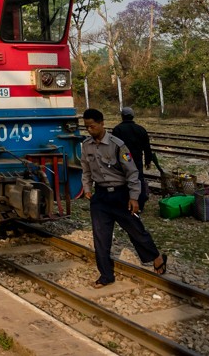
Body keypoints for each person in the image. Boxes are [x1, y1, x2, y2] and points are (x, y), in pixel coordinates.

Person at [81, 108, 167, 288]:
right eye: (87, 127)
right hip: (101, 198)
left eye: (93, 126)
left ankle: (156, 257)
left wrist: (134, 197)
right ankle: (106, 275)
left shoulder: (118, 145)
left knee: (136, 230)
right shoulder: (86, 145)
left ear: (102, 123)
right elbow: (86, 170)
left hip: (121, 195)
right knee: (100, 238)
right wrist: (87, 188)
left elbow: (132, 172)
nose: (90, 130)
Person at [112, 107, 154, 210]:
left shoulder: (117, 129)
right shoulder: (141, 129)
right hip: (137, 158)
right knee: (138, 179)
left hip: (124, 158)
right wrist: (148, 161)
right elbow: (147, 147)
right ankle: (140, 202)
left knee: (123, 180)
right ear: (133, 116)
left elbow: (113, 147)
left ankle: (126, 203)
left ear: (122, 116)